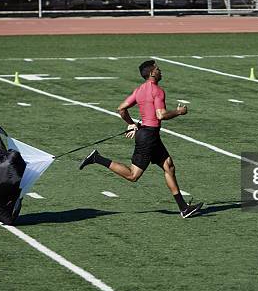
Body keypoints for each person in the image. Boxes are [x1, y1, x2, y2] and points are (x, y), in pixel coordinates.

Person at [79, 60, 203, 218]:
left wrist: (131, 124)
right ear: (152, 73)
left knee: (169, 166)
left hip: (148, 134)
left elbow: (121, 108)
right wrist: (179, 112)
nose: (160, 71)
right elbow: (161, 115)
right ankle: (97, 158)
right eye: (158, 69)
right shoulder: (158, 91)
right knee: (133, 175)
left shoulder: (139, 90)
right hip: (148, 137)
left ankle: (184, 208)